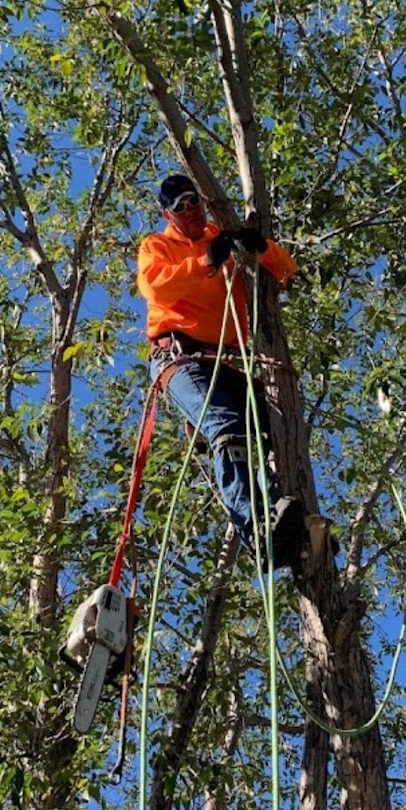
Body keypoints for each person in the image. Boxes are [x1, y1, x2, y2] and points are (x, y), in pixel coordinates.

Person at [136, 174, 306, 567]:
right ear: (168, 214)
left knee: (274, 429)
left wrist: (260, 247)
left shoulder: (221, 235)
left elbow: (286, 271)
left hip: (230, 360)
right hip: (181, 358)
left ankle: (292, 525)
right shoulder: (158, 246)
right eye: (179, 206)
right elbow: (156, 288)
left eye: (193, 201)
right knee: (227, 427)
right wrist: (207, 261)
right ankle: (258, 531)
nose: (189, 210)